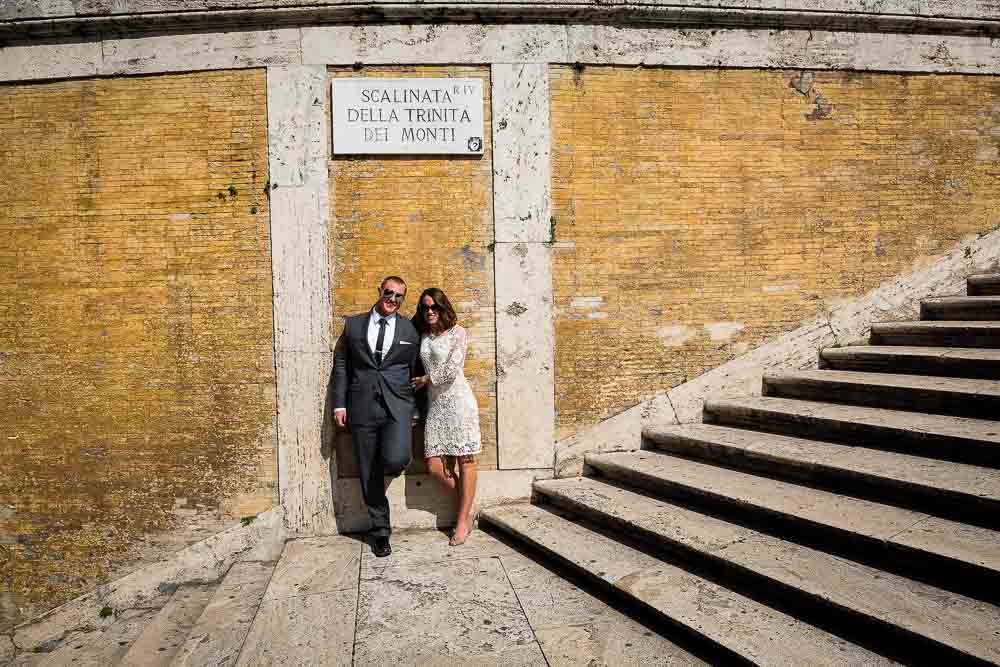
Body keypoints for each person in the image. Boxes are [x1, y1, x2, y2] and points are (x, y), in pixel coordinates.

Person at [333, 276, 420, 557]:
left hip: (398, 406)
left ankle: (392, 460)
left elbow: (415, 369)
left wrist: (416, 408)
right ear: (379, 291)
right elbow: (342, 364)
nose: (392, 300)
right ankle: (380, 531)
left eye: (398, 297)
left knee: (396, 457)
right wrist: (339, 405)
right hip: (361, 406)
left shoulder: (410, 329)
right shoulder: (354, 325)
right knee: (368, 469)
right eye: (389, 293)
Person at [410, 288, 482, 546]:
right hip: (436, 407)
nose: (429, 311)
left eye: (434, 307)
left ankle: (462, 521)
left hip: (459, 403)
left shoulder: (458, 333)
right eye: (425, 308)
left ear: (442, 308)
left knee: (466, 461)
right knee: (433, 466)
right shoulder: (423, 336)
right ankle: (468, 507)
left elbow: (453, 369)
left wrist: (427, 379)